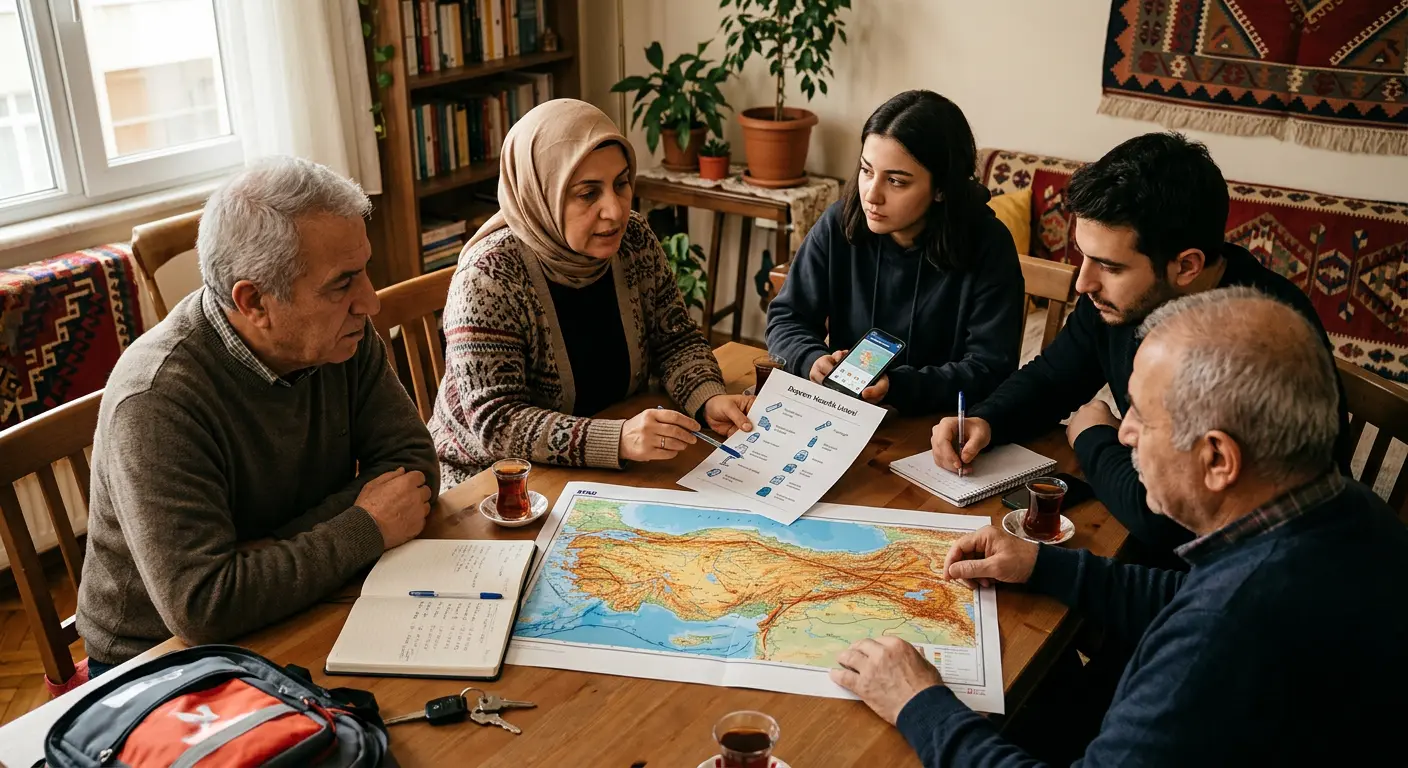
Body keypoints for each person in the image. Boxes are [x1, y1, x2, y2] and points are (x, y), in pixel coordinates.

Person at [837, 288, 1408, 765]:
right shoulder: (1346, 512)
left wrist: (918, 702)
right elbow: (1190, 595)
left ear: (1217, 460)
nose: (1124, 433)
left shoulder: (1220, 639)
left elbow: (1212, 616)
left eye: (1139, 414)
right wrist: (1043, 563)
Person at [77, 158, 438, 676]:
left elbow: (413, 469)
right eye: (342, 284)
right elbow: (204, 606)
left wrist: (265, 558)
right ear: (255, 302)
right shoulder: (156, 400)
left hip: (301, 601)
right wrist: (364, 525)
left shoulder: (340, 336)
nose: (370, 301)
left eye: (365, 270)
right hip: (158, 665)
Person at [930, 132, 1348, 553]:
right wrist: (986, 421)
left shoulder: (1251, 345)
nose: (1083, 282)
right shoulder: (1120, 300)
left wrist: (1093, 435)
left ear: (1186, 266)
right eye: (1083, 256)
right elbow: (1054, 378)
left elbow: (1166, 523)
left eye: (1109, 266)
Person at [429, 99, 754, 487]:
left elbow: (676, 340)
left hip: (605, 467)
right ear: (542, 195)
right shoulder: (488, 278)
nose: (615, 211)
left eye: (621, 184)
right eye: (587, 194)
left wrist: (708, 398)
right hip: (492, 484)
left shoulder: (634, 239)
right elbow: (499, 422)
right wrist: (615, 440)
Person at [765, 90, 1024, 414]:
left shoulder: (988, 244)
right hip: (845, 420)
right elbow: (787, 318)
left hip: (939, 431)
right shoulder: (840, 222)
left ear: (942, 188)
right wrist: (812, 359)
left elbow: (990, 369)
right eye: (866, 170)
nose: (871, 195)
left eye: (897, 181)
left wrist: (898, 387)